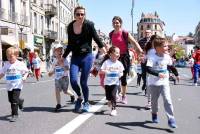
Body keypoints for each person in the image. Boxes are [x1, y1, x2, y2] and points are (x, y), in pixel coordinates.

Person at [62, 6, 106, 112]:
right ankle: (79, 97)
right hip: (75, 57)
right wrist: (63, 57)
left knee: (83, 82)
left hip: (87, 56)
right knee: (73, 80)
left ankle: (86, 102)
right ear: (74, 15)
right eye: (78, 14)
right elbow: (70, 44)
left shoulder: (89, 25)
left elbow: (96, 37)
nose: (80, 16)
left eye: (82, 14)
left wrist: (103, 48)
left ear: (84, 15)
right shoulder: (70, 27)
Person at [109, 16, 143, 104]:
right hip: (114, 58)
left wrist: (140, 51)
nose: (115, 24)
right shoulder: (111, 33)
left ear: (120, 23)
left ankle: (124, 96)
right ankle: (116, 94)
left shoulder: (125, 33)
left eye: (117, 22)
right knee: (114, 77)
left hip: (124, 57)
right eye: (114, 22)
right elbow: (112, 46)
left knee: (123, 78)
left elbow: (134, 42)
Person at [146, 37, 177, 128]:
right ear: (157, 48)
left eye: (167, 46)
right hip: (153, 83)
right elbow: (148, 69)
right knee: (154, 102)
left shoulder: (167, 57)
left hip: (164, 82)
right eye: (165, 46)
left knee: (167, 100)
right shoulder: (152, 57)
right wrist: (157, 74)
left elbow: (170, 66)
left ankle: (171, 119)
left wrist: (176, 74)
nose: (167, 47)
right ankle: (154, 113)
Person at [0, 47, 29, 122]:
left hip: (17, 85)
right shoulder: (6, 65)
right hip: (9, 85)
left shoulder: (20, 64)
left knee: (13, 101)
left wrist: (24, 77)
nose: (9, 58)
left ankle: (15, 114)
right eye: (7, 56)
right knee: (10, 100)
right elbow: (2, 73)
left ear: (16, 55)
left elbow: (26, 71)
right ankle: (20, 101)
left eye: (11, 56)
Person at [48, 44, 75, 112]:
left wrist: (62, 65)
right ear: (54, 52)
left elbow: (68, 68)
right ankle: (58, 104)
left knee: (65, 91)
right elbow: (52, 71)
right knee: (57, 91)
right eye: (57, 50)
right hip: (57, 78)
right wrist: (51, 72)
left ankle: (72, 95)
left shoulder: (65, 59)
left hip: (65, 78)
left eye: (60, 50)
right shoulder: (54, 60)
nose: (59, 51)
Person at [99, 46, 124, 116]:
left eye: (119, 53)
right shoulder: (106, 62)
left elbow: (122, 72)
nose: (118, 54)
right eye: (116, 52)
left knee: (113, 95)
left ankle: (114, 109)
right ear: (110, 54)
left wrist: (120, 75)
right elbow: (101, 71)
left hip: (115, 83)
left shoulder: (119, 63)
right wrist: (106, 71)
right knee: (108, 97)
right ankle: (109, 100)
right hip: (107, 83)